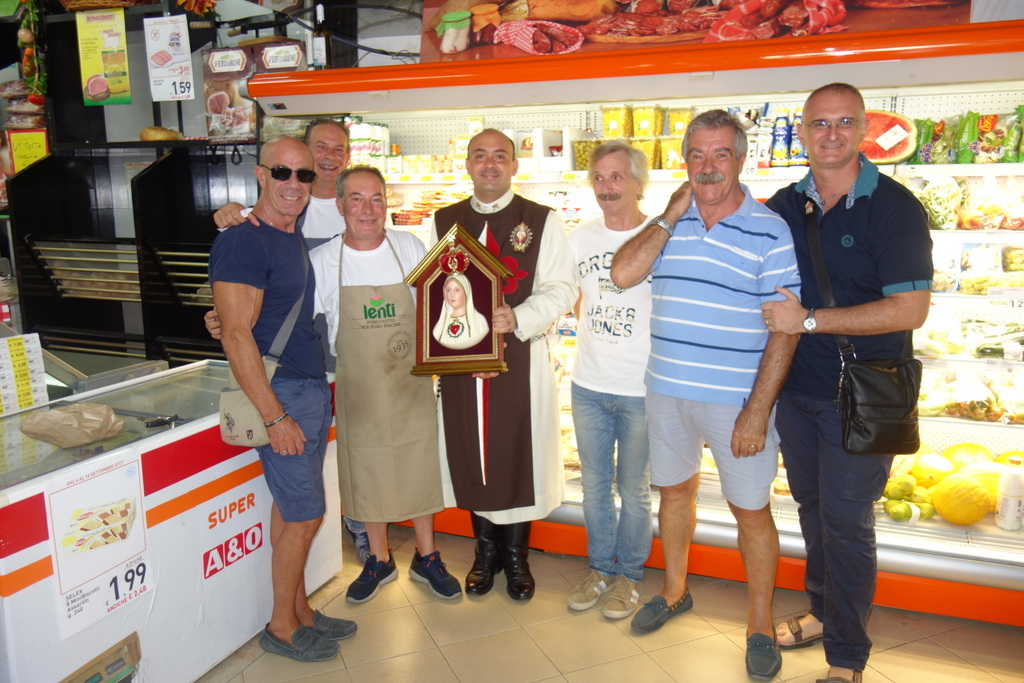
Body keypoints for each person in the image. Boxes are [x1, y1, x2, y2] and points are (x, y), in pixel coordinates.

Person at [611, 109, 800, 679]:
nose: (708, 166)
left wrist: (757, 411)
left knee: (751, 511)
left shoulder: (770, 229)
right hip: (667, 391)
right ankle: (675, 591)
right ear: (685, 161)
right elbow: (622, 274)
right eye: (697, 154)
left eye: (720, 153)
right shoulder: (669, 225)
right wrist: (670, 214)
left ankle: (760, 623)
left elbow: (785, 328)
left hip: (735, 401)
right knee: (674, 495)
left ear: (741, 159)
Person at [761, 83, 932, 683]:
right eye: (819, 123)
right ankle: (823, 612)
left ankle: (847, 657)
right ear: (802, 133)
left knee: (847, 524)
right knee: (813, 512)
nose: (830, 134)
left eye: (843, 123)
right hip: (798, 391)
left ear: (862, 131)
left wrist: (809, 320)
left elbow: (910, 310)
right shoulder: (785, 205)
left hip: (864, 397)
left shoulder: (895, 208)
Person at [208, 136, 356, 663]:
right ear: (261, 175)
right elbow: (235, 334)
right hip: (283, 394)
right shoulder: (242, 240)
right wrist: (275, 416)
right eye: (282, 172)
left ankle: (302, 612)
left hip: (307, 387)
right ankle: (281, 626)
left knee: (292, 510)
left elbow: (249, 317)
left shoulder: (288, 235)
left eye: (304, 175)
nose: (294, 184)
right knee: (306, 515)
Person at [430, 128, 576, 600]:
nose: (489, 164)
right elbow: (429, 290)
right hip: (460, 361)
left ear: (514, 166)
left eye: (499, 156)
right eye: (480, 155)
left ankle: (516, 557)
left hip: (521, 356)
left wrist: (519, 317)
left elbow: (563, 288)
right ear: (467, 164)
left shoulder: (541, 220)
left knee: (515, 453)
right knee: (472, 450)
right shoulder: (443, 221)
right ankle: (485, 552)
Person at [311, 166, 461, 603]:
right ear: (340, 205)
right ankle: (378, 559)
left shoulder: (408, 246)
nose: (367, 209)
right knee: (367, 467)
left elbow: (440, 307)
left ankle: (427, 557)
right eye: (356, 199)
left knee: (419, 463)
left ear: (387, 204)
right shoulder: (324, 261)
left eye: (376, 198)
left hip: (409, 383)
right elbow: (303, 324)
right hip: (360, 389)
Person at [565, 139, 653, 621]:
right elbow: (574, 298)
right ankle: (600, 569)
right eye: (598, 178)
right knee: (595, 487)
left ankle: (630, 577)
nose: (606, 187)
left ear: (639, 182)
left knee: (634, 491)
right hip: (589, 385)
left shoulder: (659, 236)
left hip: (641, 389)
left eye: (616, 176)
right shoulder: (580, 237)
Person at [432, 272, 490, 350]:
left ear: (466, 292)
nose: (452, 295)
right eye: (448, 290)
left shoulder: (480, 322)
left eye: (457, 290)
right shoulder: (439, 326)